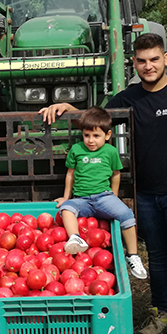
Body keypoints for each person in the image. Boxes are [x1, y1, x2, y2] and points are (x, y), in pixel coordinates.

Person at [41, 33, 167, 334]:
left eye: (154, 59)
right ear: (134, 63)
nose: (148, 66)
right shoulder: (129, 98)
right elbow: (96, 121)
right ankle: (162, 312)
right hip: (147, 193)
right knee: (156, 257)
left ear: (166, 58)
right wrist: (67, 107)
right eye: (141, 61)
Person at [55, 106, 147, 280]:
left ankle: (133, 255)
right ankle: (75, 238)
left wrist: (114, 195)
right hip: (81, 199)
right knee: (66, 209)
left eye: (96, 136)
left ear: (108, 135)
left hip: (104, 197)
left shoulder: (111, 152)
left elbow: (116, 174)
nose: (91, 140)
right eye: (86, 135)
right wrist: (66, 197)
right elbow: (70, 174)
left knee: (127, 215)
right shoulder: (76, 150)